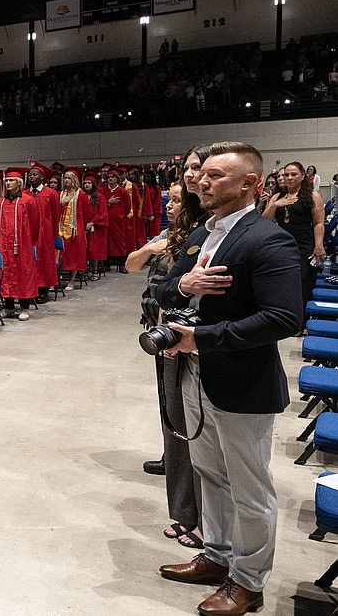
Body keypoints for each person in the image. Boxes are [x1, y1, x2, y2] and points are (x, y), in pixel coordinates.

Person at [155, 142, 302, 616]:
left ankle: (249, 582)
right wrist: (185, 284)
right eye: (203, 173)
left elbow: (284, 318)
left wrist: (202, 338)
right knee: (210, 474)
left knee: (249, 489)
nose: (202, 181)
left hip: (241, 380)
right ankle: (217, 556)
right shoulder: (203, 234)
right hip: (195, 375)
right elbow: (163, 288)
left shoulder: (268, 239)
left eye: (216, 175)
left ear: (249, 184)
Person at [126, 181, 204, 550]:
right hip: (162, 333)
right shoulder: (167, 237)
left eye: (176, 201)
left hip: (187, 336)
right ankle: (184, 509)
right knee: (171, 416)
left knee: (191, 426)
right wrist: (152, 247)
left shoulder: (200, 238)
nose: (169, 206)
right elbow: (131, 264)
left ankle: (201, 518)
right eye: (168, 200)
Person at [261, 161, 325, 331]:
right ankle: (283, 318)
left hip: (304, 244)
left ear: (302, 175)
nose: (289, 178)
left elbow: (318, 223)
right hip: (282, 245)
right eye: (286, 175)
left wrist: (319, 245)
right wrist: (275, 205)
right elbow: (265, 221)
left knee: (302, 282)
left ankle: (300, 323)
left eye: (293, 174)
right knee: (282, 282)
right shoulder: (277, 197)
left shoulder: (313, 196)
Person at [0, 167, 39, 320]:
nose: (8, 183)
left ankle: (24, 307)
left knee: (23, 274)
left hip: (22, 245)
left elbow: (35, 224)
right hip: (4, 245)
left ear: (19, 183)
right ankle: (8, 307)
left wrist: (27, 241)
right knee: (6, 274)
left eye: (11, 180)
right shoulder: (1, 202)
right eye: (6, 180)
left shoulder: (28, 201)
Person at [26, 162, 59, 303]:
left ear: (42, 177)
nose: (32, 177)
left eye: (35, 175)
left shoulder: (50, 193)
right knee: (31, 261)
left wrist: (51, 231)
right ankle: (31, 290)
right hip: (28, 233)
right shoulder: (25, 194)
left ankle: (43, 291)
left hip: (45, 232)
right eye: (30, 175)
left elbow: (56, 214)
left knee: (44, 261)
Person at [57, 170, 91, 291]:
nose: (66, 180)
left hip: (75, 230)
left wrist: (81, 227)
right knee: (60, 254)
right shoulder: (61, 194)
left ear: (74, 180)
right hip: (61, 229)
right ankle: (58, 278)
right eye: (65, 178)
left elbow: (86, 212)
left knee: (75, 255)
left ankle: (72, 279)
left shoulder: (81, 194)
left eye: (69, 178)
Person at [105, 167, 132, 271]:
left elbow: (127, 207)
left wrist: (121, 216)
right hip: (106, 220)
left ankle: (122, 265)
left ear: (117, 178)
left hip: (118, 221)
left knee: (119, 241)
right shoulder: (103, 190)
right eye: (108, 177)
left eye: (112, 177)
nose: (110, 179)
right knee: (106, 241)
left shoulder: (123, 192)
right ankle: (106, 264)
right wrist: (108, 202)